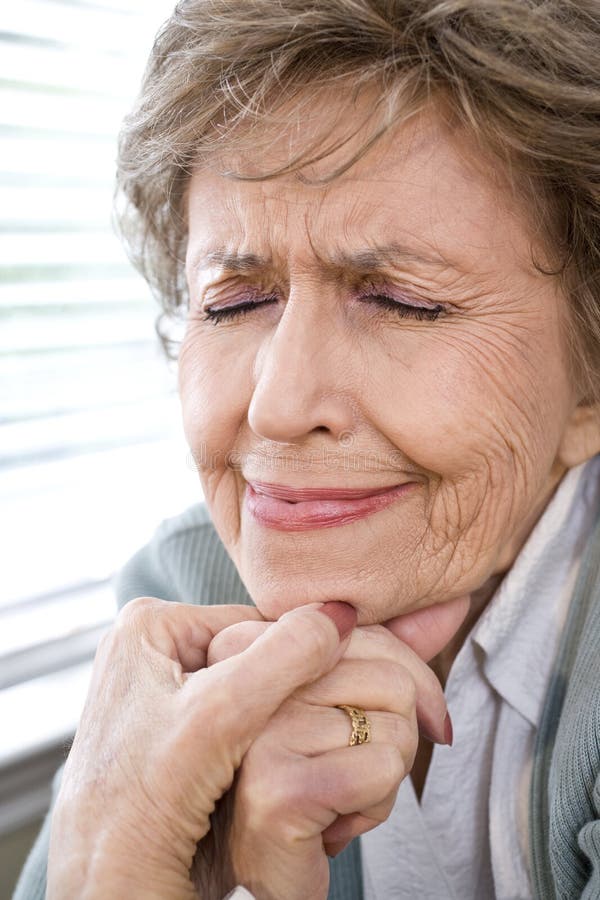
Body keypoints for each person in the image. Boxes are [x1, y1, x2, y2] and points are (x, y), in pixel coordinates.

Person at [13, 0, 600, 898]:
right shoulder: (177, 600)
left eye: (403, 300)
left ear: (588, 384)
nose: (279, 406)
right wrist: (126, 856)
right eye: (232, 301)